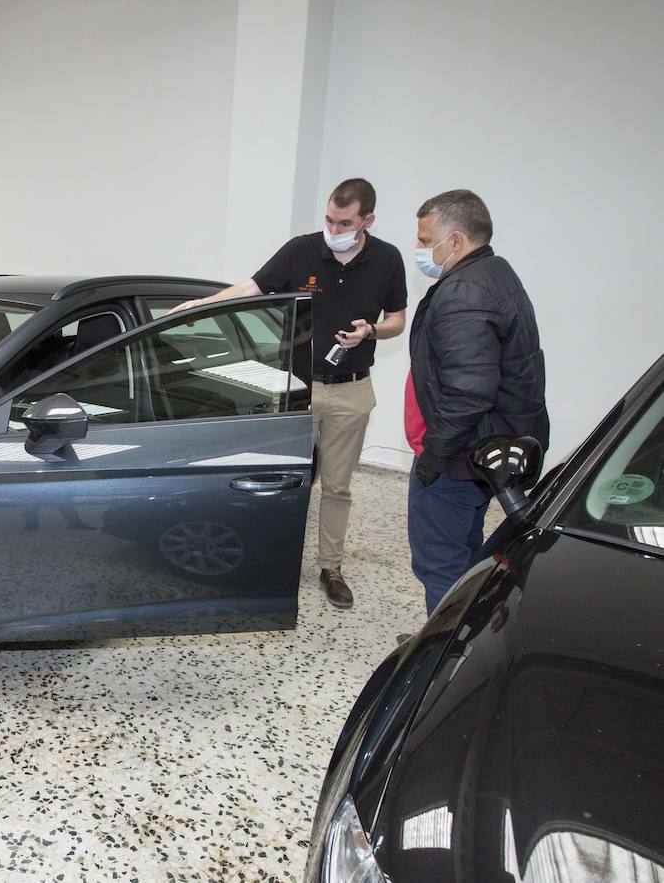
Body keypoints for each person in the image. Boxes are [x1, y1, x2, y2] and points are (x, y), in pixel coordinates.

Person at [174, 178, 407, 608]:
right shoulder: (301, 250)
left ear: (367, 220)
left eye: (345, 222)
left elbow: (397, 319)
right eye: (329, 219)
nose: (334, 228)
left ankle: (331, 567)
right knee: (286, 483)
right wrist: (200, 306)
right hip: (298, 389)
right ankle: (273, 560)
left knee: (337, 487)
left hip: (352, 390)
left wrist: (372, 330)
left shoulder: (387, 259)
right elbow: (252, 288)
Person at [405, 189, 548, 615]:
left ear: (454, 241)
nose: (418, 248)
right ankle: (457, 634)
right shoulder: (493, 273)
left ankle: (442, 658)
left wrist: (434, 455)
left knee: (440, 561)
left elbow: (469, 391)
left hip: (459, 456)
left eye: (423, 238)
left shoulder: (464, 291)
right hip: (483, 451)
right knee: (464, 553)